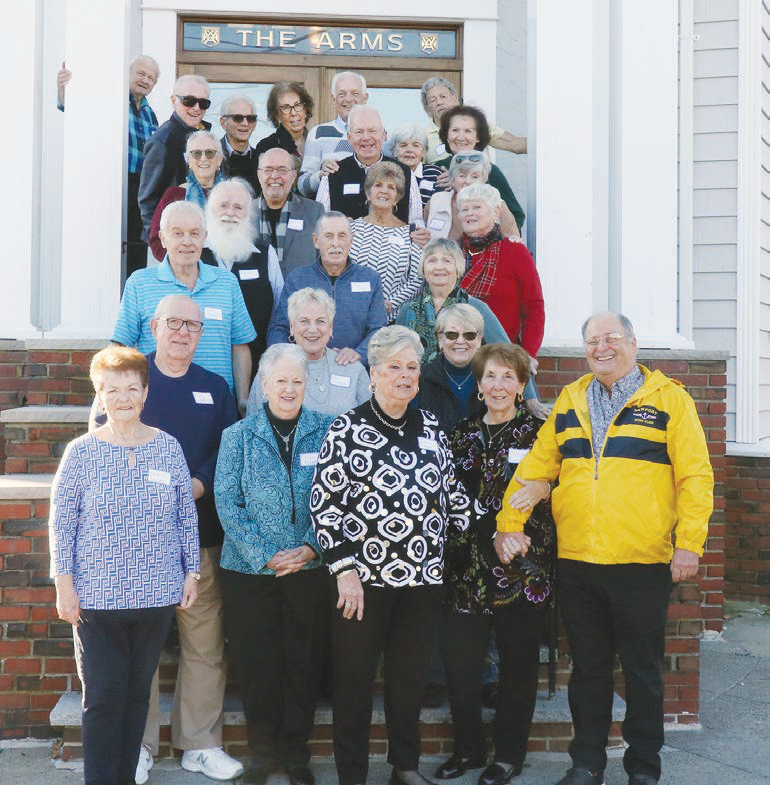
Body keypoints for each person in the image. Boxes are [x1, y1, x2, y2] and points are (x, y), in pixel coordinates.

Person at [496, 312, 714, 785]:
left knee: (642, 672)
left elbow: (695, 477)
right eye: (593, 341)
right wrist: (508, 525)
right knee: (588, 671)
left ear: (633, 344)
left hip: (641, 562)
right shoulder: (571, 399)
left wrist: (689, 544)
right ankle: (586, 764)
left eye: (612, 338)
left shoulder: (669, 400)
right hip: (578, 563)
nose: (602, 348)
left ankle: (643, 768)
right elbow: (536, 467)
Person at [310, 325, 473, 785]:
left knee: (409, 680)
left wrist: (500, 527)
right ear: (374, 373)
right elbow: (325, 505)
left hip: (422, 581)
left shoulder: (431, 427)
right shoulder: (347, 428)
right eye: (395, 367)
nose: (405, 376)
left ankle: (405, 766)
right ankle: (352, 775)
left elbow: (453, 496)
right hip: (363, 584)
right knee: (354, 682)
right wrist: (344, 570)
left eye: (412, 368)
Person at [94, 297, 241, 784]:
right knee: (142, 649)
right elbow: (102, 445)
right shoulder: (130, 381)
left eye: (192, 325)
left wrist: (195, 484)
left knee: (204, 641)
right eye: (173, 322)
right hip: (134, 543)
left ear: (201, 333)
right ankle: (137, 745)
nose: (182, 332)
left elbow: (226, 452)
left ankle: (200, 744)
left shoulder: (214, 387)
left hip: (199, 535)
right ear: (154, 326)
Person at [50, 346, 199, 785]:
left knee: (137, 698)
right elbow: (61, 523)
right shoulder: (80, 453)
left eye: (132, 389)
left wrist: (191, 571)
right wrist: (63, 585)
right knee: (102, 698)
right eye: (111, 390)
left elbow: (185, 516)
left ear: (145, 393)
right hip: (96, 599)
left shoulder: (168, 448)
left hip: (156, 595)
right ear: (99, 395)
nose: (123, 398)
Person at [437, 342, 555, 785]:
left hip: (522, 569)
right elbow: (448, 498)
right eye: (491, 376)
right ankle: (467, 750)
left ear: (522, 386)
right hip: (466, 569)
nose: (499, 384)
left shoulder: (541, 435)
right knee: (461, 665)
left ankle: (508, 756)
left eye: (509, 377)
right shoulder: (460, 435)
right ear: (480, 385)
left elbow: (557, 490)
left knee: (518, 667)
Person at [215, 343, 333, 785]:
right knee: (257, 663)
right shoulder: (238, 436)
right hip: (250, 572)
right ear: (263, 385)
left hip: (308, 569)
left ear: (307, 385)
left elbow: (337, 497)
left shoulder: (327, 430)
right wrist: (264, 553)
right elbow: (227, 502)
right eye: (280, 380)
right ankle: (262, 753)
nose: (288, 388)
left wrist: (311, 548)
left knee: (303, 661)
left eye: (297, 381)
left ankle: (296, 752)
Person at [112, 201, 256, 412]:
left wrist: (242, 400)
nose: (187, 242)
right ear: (163, 238)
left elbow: (240, 346)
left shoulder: (227, 283)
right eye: (177, 233)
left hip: (215, 406)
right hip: (155, 404)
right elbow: (120, 345)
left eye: (194, 233)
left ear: (205, 237)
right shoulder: (139, 283)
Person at [268, 212, 387, 366]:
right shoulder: (297, 279)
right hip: (304, 369)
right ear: (316, 241)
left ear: (351, 241)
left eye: (342, 236)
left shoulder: (370, 279)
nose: (335, 243)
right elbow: (279, 327)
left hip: (353, 368)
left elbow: (378, 330)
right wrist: (288, 359)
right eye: (328, 236)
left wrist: (360, 353)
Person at [202, 179, 284, 381]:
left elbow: (280, 311)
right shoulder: (195, 253)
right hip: (204, 367)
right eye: (223, 205)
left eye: (238, 207)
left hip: (257, 367)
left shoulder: (265, 254)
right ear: (210, 210)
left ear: (249, 214)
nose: (230, 213)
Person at [248, 288, 369, 417]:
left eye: (320, 321)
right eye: (304, 321)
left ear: (330, 328)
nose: (312, 329)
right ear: (292, 327)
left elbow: (372, 422)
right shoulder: (270, 369)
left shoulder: (353, 370)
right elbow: (253, 424)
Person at [457, 184, 544, 362]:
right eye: (464, 209)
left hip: (502, 357)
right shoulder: (451, 252)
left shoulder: (515, 251)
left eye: (476, 207)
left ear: (495, 212)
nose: (469, 213)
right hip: (457, 356)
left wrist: (528, 355)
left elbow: (534, 307)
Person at [396, 238, 509, 364]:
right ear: (423, 268)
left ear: (458, 267)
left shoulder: (476, 307)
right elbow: (396, 356)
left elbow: (506, 354)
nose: (439, 267)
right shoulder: (408, 310)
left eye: (447, 261)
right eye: (432, 260)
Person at [315, 106, 423, 226]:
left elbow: (417, 222)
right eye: (359, 132)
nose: (366, 137)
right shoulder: (333, 173)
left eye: (372, 131)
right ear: (349, 138)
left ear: (384, 135)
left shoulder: (405, 173)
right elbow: (320, 222)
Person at [139, 74, 212, 243]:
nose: (196, 108)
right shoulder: (162, 141)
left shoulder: (202, 136)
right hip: (173, 243)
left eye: (203, 103)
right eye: (189, 101)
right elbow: (148, 201)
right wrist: (160, 245)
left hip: (197, 237)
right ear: (174, 100)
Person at [350, 162, 422, 320]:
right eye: (378, 185)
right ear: (368, 193)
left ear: (397, 197)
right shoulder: (350, 229)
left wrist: (390, 304)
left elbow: (417, 279)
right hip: (351, 315)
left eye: (391, 187)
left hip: (392, 320)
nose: (384, 191)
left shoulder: (411, 233)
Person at [433, 106, 525, 231]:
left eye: (468, 131)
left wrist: (497, 237)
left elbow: (516, 214)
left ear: (478, 137)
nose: (460, 137)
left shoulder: (491, 171)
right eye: (455, 130)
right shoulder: (436, 168)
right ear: (446, 135)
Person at [148, 130, 225, 261]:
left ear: (219, 160)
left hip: (226, 268)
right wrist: (182, 263)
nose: (203, 158)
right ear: (188, 160)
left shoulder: (231, 194)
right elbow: (157, 241)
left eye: (210, 153)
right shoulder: (174, 195)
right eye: (196, 153)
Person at [420, 77, 526, 165]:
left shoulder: (477, 123)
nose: (439, 102)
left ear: (455, 98)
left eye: (443, 96)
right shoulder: (422, 136)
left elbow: (516, 144)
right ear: (427, 108)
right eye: (433, 100)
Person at [255, 147, 325, 277]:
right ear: (259, 175)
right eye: (268, 170)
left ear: (293, 176)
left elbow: (324, 261)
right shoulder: (243, 213)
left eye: (282, 170)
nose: (274, 176)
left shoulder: (314, 212)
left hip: (302, 288)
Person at [298, 71, 368, 198]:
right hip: (330, 210)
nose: (348, 99)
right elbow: (302, 186)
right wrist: (321, 175)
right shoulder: (318, 134)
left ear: (365, 98)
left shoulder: (377, 135)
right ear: (333, 98)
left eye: (355, 93)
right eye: (342, 94)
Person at [425, 152, 520, 241]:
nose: (468, 181)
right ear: (453, 179)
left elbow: (513, 242)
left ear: (483, 180)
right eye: (462, 176)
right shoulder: (436, 201)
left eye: (475, 177)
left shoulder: (496, 204)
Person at [254, 81, 315, 182]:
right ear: (277, 116)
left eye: (298, 105)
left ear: (305, 110)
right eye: (286, 108)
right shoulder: (267, 147)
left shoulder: (317, 141)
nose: (293, 113)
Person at [390, 125, 443, 207]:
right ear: (394, 151)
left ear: (424, 152)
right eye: (403, 145)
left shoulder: (435, 173)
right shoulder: (388, 175)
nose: (409, 150)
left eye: (415, 145)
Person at [219, 94, 260, 195]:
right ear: (223, 123)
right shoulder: (209, 157)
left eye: (250, 118)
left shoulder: (261, 159)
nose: (245, 123)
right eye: (237, 118)